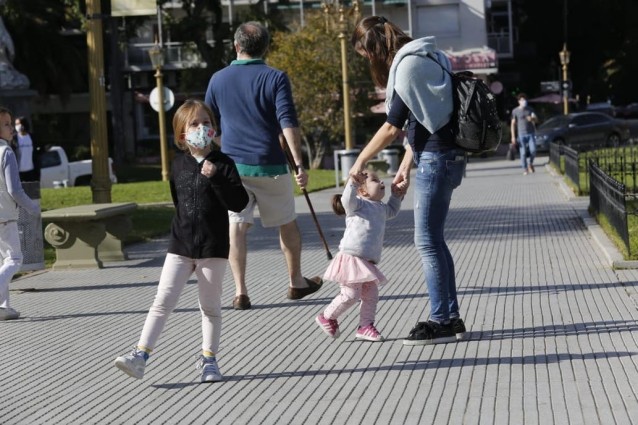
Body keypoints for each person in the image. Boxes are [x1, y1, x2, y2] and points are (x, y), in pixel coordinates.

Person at [349, 16, 467, 346]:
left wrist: (360, 159)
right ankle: (452, 317)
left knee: (427, 241)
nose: (366, 61)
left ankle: (441, 320)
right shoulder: (429, 55)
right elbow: (427, 116)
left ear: (372, 49)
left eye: (364, 54)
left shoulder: (406, 65)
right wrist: (406, 163)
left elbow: (392, 126)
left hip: (436, 158)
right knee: (435, 240)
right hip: (445, 156)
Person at [114, 99, 248, 383]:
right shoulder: (179, 165)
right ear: (182, 135)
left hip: (213, 247)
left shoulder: (223, 163)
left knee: (210, 307)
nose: (202, 128)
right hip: (180, 245)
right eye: (195, 124)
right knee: (162, 300)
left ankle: (209, 361)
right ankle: (140, 355)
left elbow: (239, 202)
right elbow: (179, 202)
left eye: (207, 122)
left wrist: (217, 179)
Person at [204, 21, 322, 310]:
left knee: (237, 227)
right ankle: (295, 281)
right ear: (266, 47)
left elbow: (209, 124)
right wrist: (298, 164)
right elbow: (287, 121)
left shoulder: (217, 79)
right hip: (271, 166)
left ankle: (240, 292)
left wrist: (222, 147)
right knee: (287, 223)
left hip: (234, 169)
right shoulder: (275, 78)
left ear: (236, 45)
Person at [316, 171, 405, 342]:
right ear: (363, 191)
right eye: (375, 180)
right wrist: (353, 183)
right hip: (351, 258)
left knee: (371, 294)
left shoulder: (381, 207)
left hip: (366, 262)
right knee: (350, 295)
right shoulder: (358, 205)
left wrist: (396, 195)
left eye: (380, 180)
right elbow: (346, 200)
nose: (381, 183)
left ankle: (365, 326)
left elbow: (393, 210)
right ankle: (327, 317)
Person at [0, 106, 39, 321]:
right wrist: (33, 208)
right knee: (14, 259)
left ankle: (3, 308)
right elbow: (14, 189)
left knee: (1, 262)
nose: (11, 128)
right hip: (4, 215)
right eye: (6, 124)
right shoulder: (5, 152)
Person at [510, 93, 538, 175]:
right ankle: (525, 168)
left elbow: (536, 120)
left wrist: (532, 118)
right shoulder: (515, 111)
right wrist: (513, 137)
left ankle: (530, 164)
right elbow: (512, 124)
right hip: (521, 134)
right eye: (522, 100)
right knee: (523, 152)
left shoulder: (530, 109)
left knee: (533, 150)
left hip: (531, 133)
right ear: (519, 101)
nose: (523, 101)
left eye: (524, 100)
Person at [14, 116, 39, 182]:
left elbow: (37, 152)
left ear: (24, 124)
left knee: (32, 190)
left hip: (31, 171)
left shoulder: (32, 137)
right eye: (16, 124)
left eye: (18, 124)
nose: (17, 126)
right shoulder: (14, 139)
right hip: (18, 172)